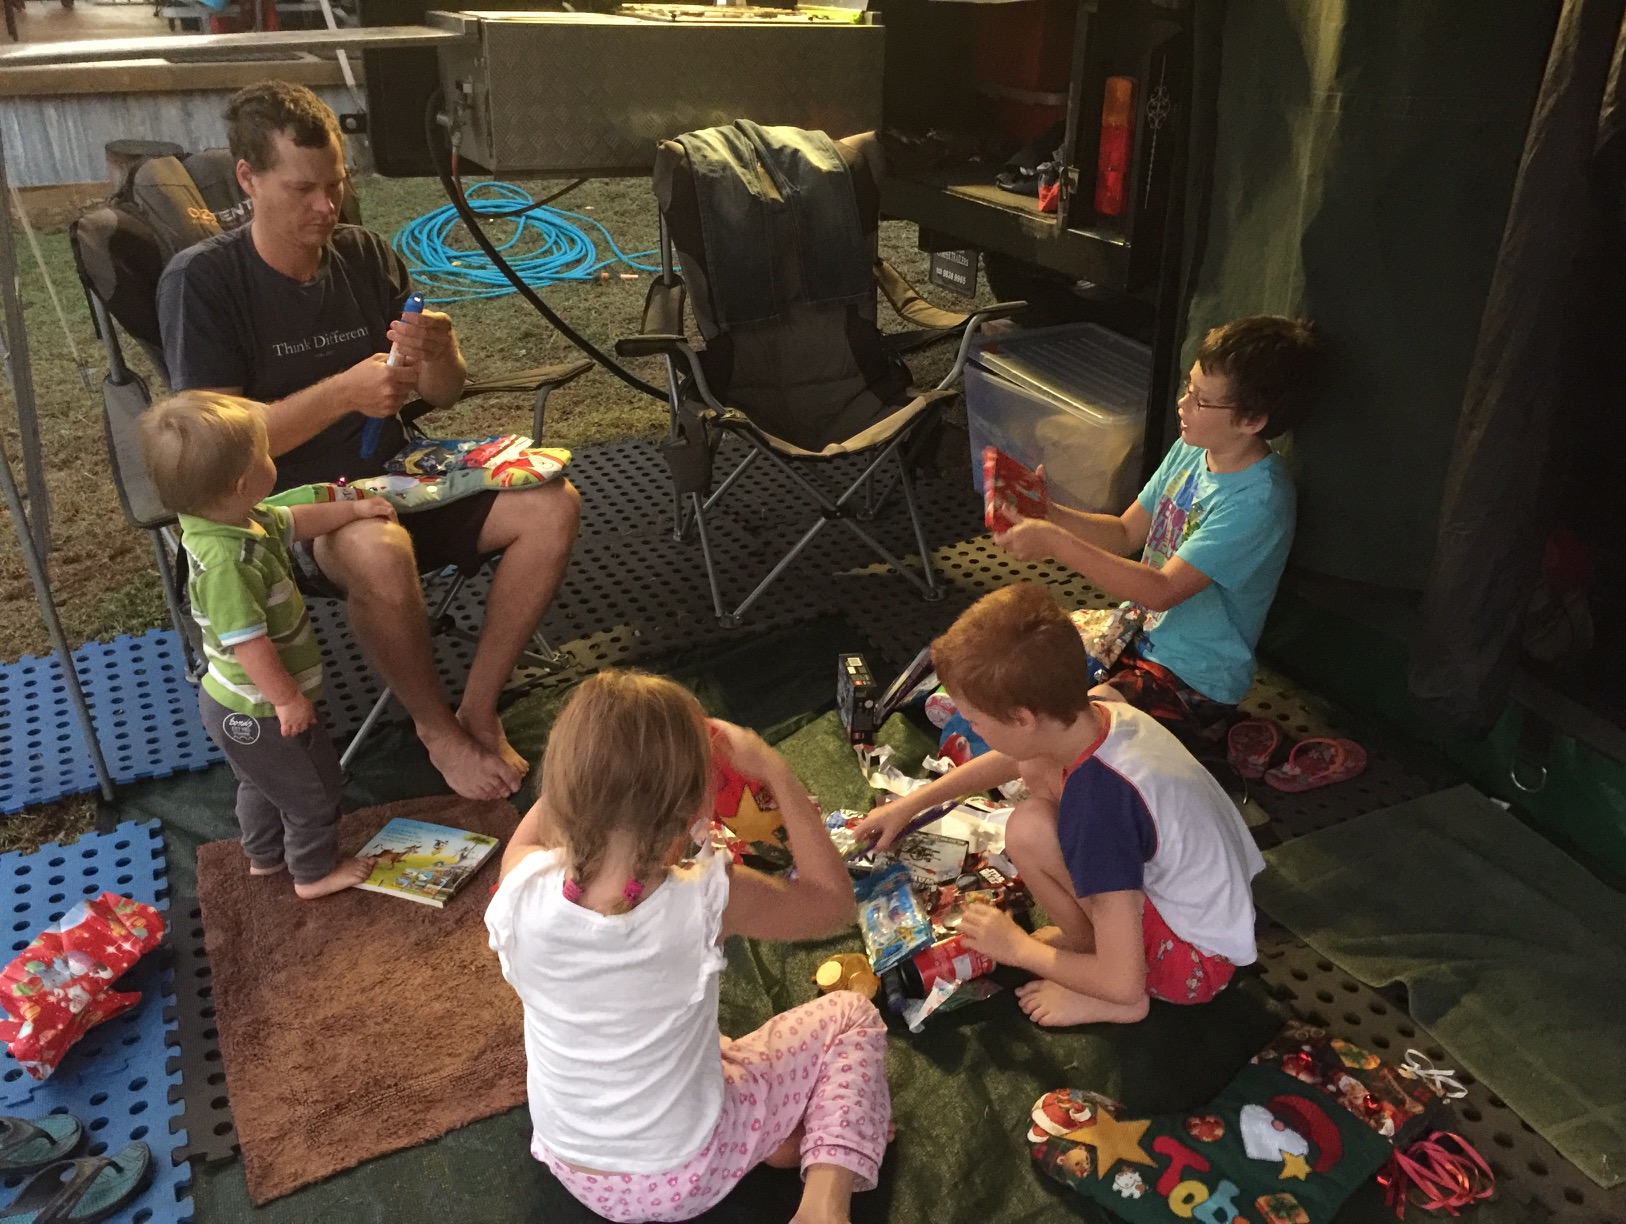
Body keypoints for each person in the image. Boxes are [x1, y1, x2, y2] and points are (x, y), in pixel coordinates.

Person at [157, 80, 579, 803]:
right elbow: (215, 452)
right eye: (302, 189)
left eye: (335, 185)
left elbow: (441, 394)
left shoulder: (364, 254)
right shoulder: (204, 283)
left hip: (398, 471)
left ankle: (478, 707)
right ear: (248, 179)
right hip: (284, 504)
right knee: (378, 550)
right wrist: (342, 394)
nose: (326, 207)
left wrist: (440, 352)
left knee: (553, 505)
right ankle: (435, 729)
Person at [486, 671, 892, 1224]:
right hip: (688, 1171)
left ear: (560, 786)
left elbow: (545, 825)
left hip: (573, 1165)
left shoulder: (521, 884)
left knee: (701, 1041)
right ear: (698, 805)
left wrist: (596, 762)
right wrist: (773, 768)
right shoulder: (707, 899)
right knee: (851, 1016)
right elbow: (831, 901)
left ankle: (773, 1137)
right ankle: (823, 1206)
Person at [854, 584, 1264, 1027]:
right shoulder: (1099, 709)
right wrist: (912, 805)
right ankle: (1090, 946)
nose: (972, 729)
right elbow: (1016, 756)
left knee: (1030, 828)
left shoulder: (1097, 808)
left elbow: (1124, 981)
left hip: (1194, 965)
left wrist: (1018, 948)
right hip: (1211, 916)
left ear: (1022, 718)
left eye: (974, 721)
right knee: (1034, 780)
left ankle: (1114, 996)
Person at [995, 315, 1323, 730]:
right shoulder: (1193, 448)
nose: (1182, 405)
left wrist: (1056, 542)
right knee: (1018, 663)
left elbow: (1162, 590)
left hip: (1192, 676)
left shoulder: (1258, 501)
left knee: (1078, 727)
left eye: (1201, 400)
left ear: (1251, 420)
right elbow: (1123, 533)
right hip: (1134, 634)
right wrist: (1049, 511)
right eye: (1188, 387)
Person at [139, 391, 388, 899]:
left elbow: (295, 521)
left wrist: (356, 509)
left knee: (260, 782)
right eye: (265, 455)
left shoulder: (233, 522)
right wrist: (287, 699)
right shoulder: (226, 565)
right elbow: (249, 645)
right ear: (242, 483)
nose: (272, 458)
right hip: (261, 709)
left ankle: (264, 857)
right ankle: (313, 873)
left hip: (232, 706)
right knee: (313, 792)